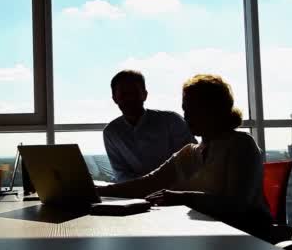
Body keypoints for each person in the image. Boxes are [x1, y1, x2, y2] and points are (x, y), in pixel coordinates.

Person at [98, 74, 272, 237]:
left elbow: (238, 205)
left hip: (247, 237)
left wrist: (184, 198)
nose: (187, 116)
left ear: (216, 109)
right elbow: (148, 183)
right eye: (185, 109)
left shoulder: (241, 144)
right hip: (210, 235)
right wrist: (97, 191)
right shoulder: (189, 152)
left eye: (194, 109)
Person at [103, 70, 196, 182]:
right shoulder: (111, 132)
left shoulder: (171, 121)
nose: (129, 98)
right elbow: (121, 174)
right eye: (124, 94)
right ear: (114, 98)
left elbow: (192, 161)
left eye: (134, 93)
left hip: (176, 189)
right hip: (137, 192)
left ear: (145, 95)